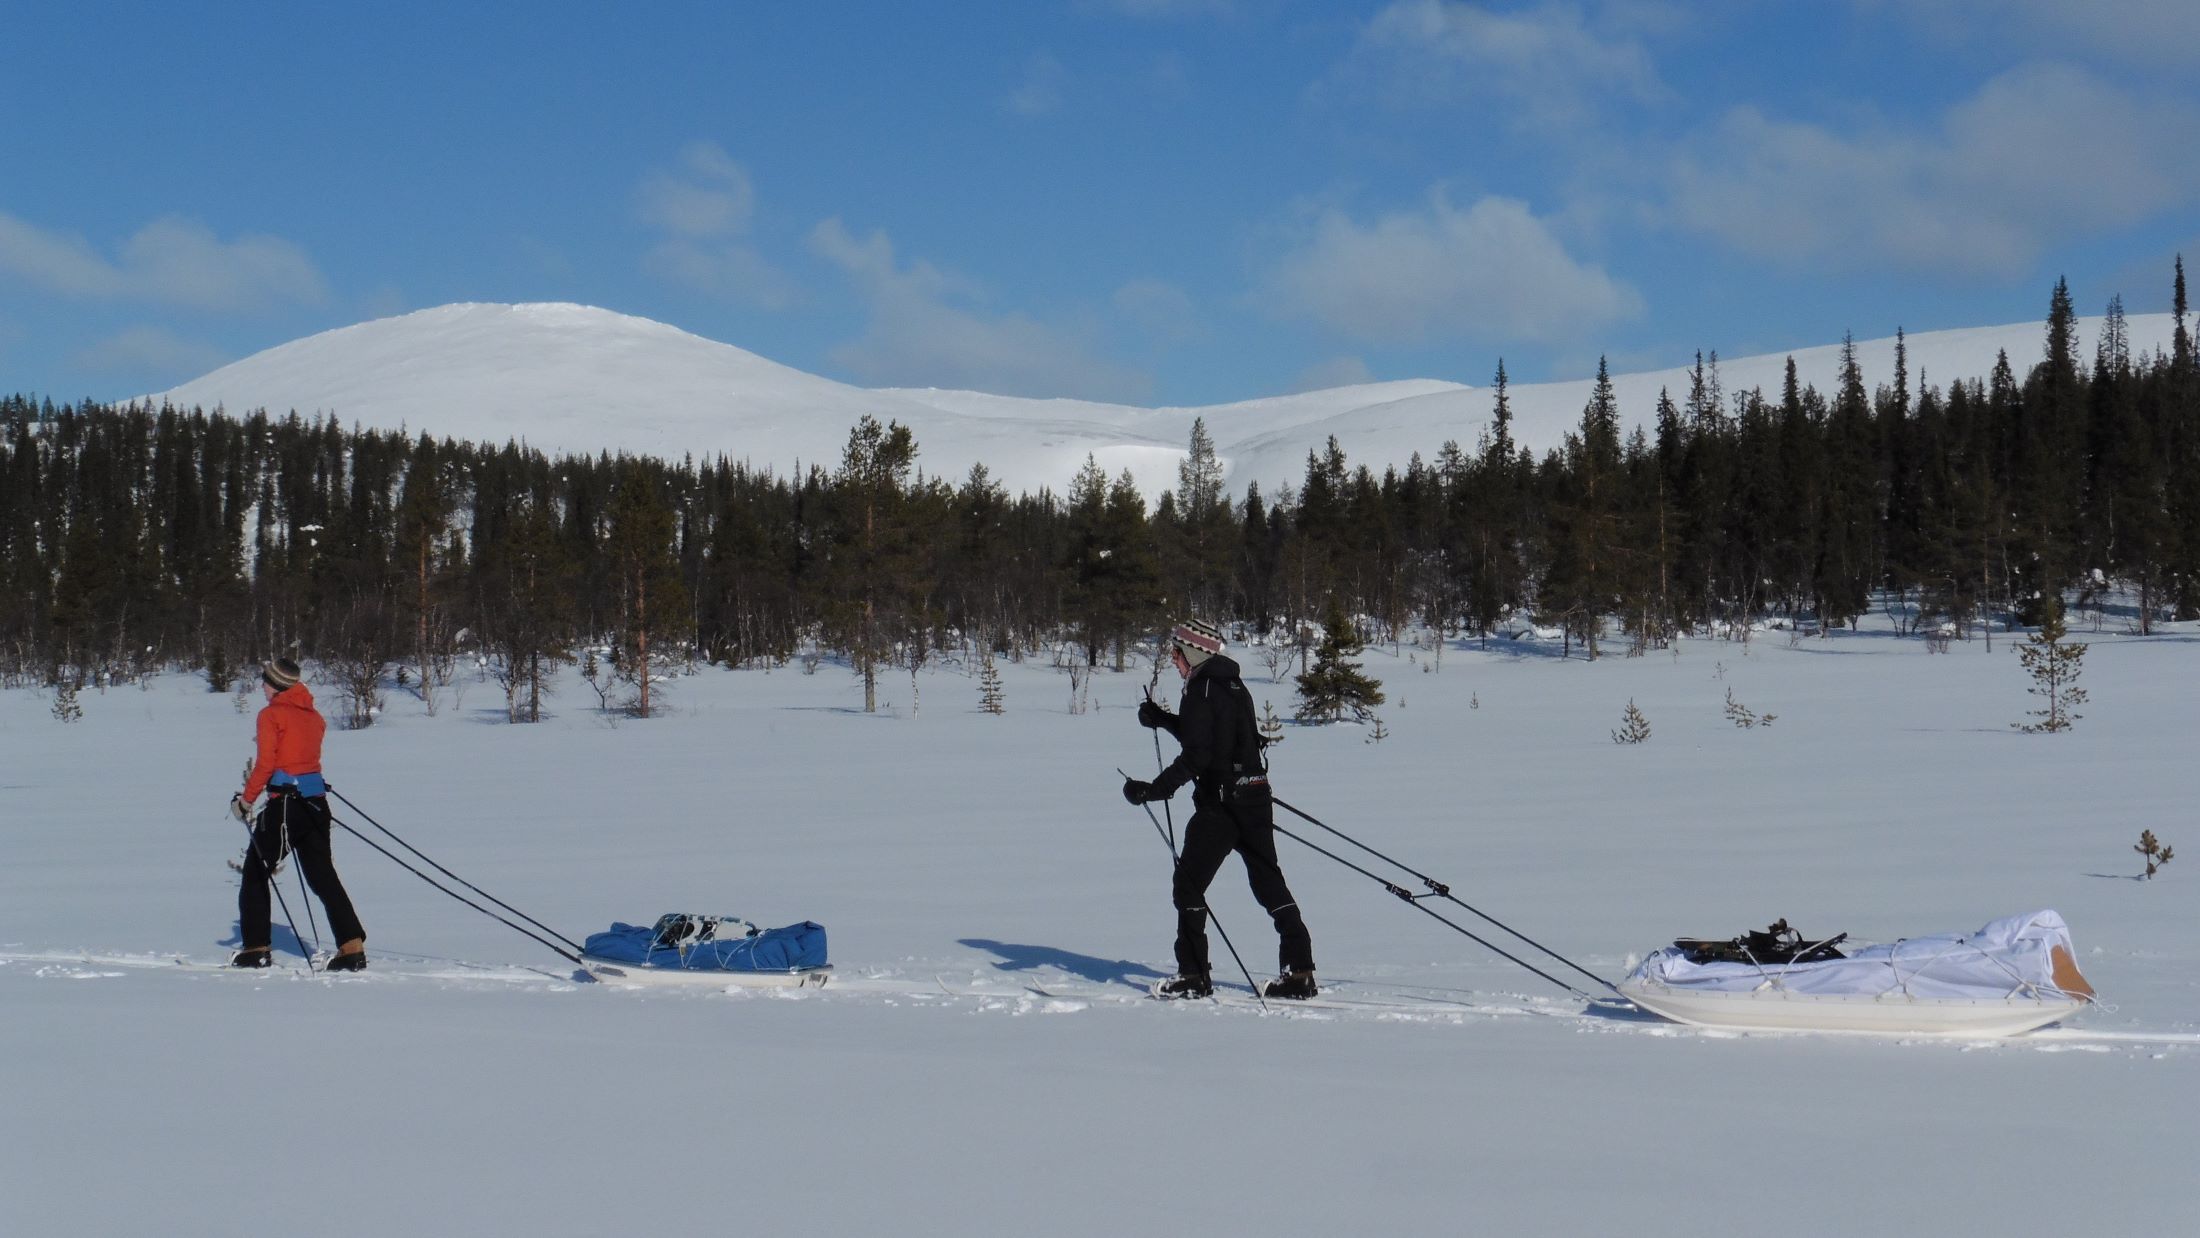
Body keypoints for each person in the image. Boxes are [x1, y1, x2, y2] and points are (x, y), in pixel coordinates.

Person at [1123, 619, 1317, 1000]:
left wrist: (1155, 790)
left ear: (1192, 654)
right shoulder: (1231, 684)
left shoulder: (1200, 689)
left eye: (1176, 653)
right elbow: (1215, 737)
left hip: (1221, 805)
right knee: (1268, 882)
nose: (1174, 660)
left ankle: (1193, 975)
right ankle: (1300, 972)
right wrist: (1163, 720)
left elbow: (1199, 754)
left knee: (1188, 885)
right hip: (1255, 796)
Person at [228, 658, 367, 971]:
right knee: (322, 875)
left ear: (276, 684)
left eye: (265, 681)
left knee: (255, 870)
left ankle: (256, 947)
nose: (262, 687)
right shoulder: (314, 717)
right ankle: (351, 946)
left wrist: (246, 802)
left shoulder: (271, 714)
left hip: (286, 805)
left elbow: (266, 764)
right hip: (316, 804)